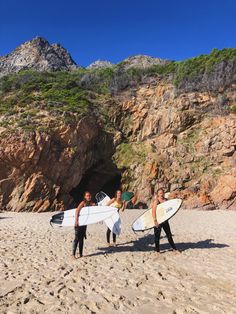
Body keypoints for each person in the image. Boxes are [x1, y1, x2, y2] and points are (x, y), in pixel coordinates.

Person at [152, 188, 179, 254]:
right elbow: (153, 211)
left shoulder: (166, 200)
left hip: (165, 220)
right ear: (158, 194)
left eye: (162, 193)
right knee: (157, 236)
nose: (161, 194)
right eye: (160, 193)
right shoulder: (156, 201)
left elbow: (169, 209)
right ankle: (157, 251)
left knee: (169, 235)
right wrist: (155, 220)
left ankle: (174, 248)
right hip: (158, 221)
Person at [71, 191, 95, 259]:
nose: (89, 197)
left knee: (81, 239)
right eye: (87, 196)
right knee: (77, 238)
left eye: (89, 195)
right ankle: (73, 255)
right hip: (79, 223)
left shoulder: (90, 204)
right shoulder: (83, 203)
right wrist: (76, 220)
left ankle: (81, 254)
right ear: (85, 197)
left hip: (84, 224)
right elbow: (77, 211)